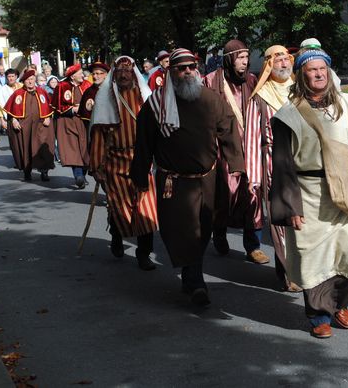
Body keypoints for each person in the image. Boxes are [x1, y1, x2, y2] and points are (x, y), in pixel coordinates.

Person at [270, 48, 348, 338]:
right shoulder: (288, 115)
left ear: (329, 72)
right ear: (302, 76)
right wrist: (291, 207)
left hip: (345, 190)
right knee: (315, 260)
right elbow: (282, 164)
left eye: (322, 69)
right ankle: (319, 316)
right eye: (311, 70)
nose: (317, 74)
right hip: (308, 192)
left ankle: (341, 303)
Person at [131, 48, 244, 305]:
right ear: (171, 72)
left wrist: (236, 162)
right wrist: (139, 176)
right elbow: (144, 143)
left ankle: (192, 277)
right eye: (181, 68)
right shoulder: (156, 104)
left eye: (191, 67)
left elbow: (228, 129)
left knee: (203, 229)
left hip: (207, 179)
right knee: (181, 232)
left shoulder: (211, 99)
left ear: (197, 68)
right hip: (174, 182)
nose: (187, 72)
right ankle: (194, 279)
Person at [89, 56, 158, 271]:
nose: (124, 75)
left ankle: (143, 253)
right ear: (115, 74)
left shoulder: (145, 98)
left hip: (141, 161)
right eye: (120, 71)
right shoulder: (106, 99)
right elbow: (99, 135)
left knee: (147, 210)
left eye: (128, 71)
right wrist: (97, 167)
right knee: (121, 209)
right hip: (115, 163)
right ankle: (117, 234)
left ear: (134, 74)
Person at [203, 39, 268, 263]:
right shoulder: (211, 80)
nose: (245, 61)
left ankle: (253, 245)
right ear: (230, 59)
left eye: (246, 57)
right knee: (225, 195)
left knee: (253, 195)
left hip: (249, 148)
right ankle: (219, 233)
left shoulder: (251, 80)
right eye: (240, 58)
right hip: (223, 151)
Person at [244, 45, 300, 291]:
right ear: (268, 64)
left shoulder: (300, 91)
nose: (283, 64)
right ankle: (288, 273)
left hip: (301, 164)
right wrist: (254, 178)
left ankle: (305, 268)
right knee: (281, 221)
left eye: (286, 59)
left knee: (303, 220)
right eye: (277, 60)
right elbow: (253, 139)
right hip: (272, 165)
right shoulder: (260, 97)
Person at [2, 69, 55, 182]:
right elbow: (11, 110)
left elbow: (49, 106)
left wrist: (47, 117)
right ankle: (27, 171)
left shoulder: (42, 92)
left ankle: (44, 172)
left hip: (41, 126)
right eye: (27, 80)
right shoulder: (18, 93)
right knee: (25, 148)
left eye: (32, 79)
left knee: (43, 148)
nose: (30, 82)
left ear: (35, 80)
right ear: (24, 82)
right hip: (24, 127)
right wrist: (14, 120)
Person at [51, 64, 92, 188]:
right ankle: (78, 175)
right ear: (73, 76)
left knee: (86, 149)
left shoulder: (87, 85)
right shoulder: (62, 86)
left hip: (85, 122)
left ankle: (83, 173)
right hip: (68, 121)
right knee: (73, 148)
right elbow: (57, 106)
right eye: (80, 73)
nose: (83, 75)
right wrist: (72, 109)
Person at [0, 69, 22, 135]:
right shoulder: (3, 89)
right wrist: (2, 121)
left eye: (12, 76)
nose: (11, 78)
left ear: (16, 77)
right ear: (6, 77)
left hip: (23, 117)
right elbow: (0, 106)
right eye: (9, 76)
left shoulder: (22, 86)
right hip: (10, 118)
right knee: (14, 140)